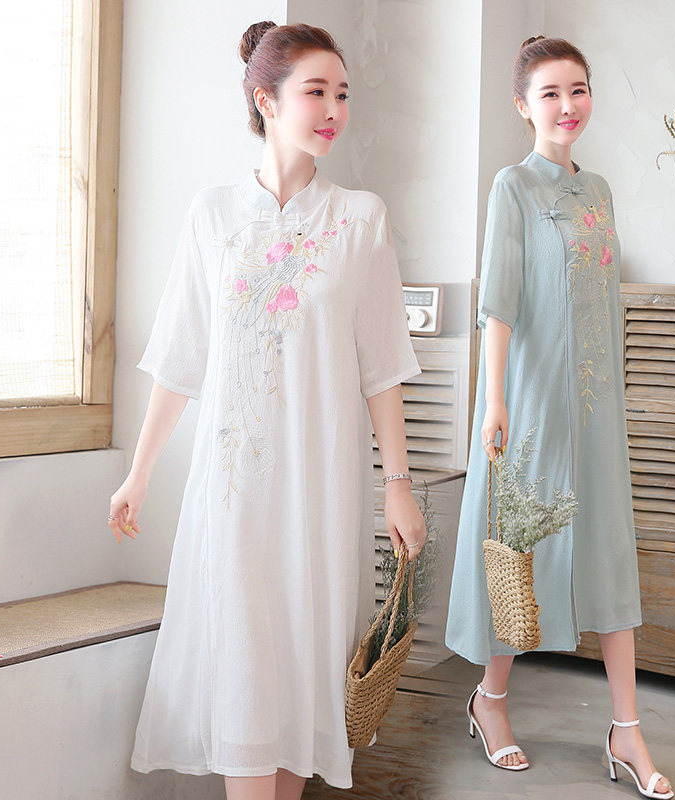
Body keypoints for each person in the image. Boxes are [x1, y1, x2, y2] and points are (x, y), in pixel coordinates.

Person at [108, 21, 426, 800]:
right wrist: (139, 473)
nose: (334, 110)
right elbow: (181, 358)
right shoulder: (213, 214)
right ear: (266, 100)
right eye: (316, 91)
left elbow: (383, 367)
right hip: (234, 494)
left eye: (342, 93)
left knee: (297, 683)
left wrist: (399, 486)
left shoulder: (360, 218)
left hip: (320, 492)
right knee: (246, 672)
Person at [444, 36, 673, 798]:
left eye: (578, 89)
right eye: (550, 93)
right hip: (532, 403)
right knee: (521, 550)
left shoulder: (599, 191)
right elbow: (499, 302)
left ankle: (626, 729)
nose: (568, 105)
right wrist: (496, 398)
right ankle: (491, 699)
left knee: (608, 548)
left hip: (596, 410)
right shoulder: (511, 187)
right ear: (523, 104)